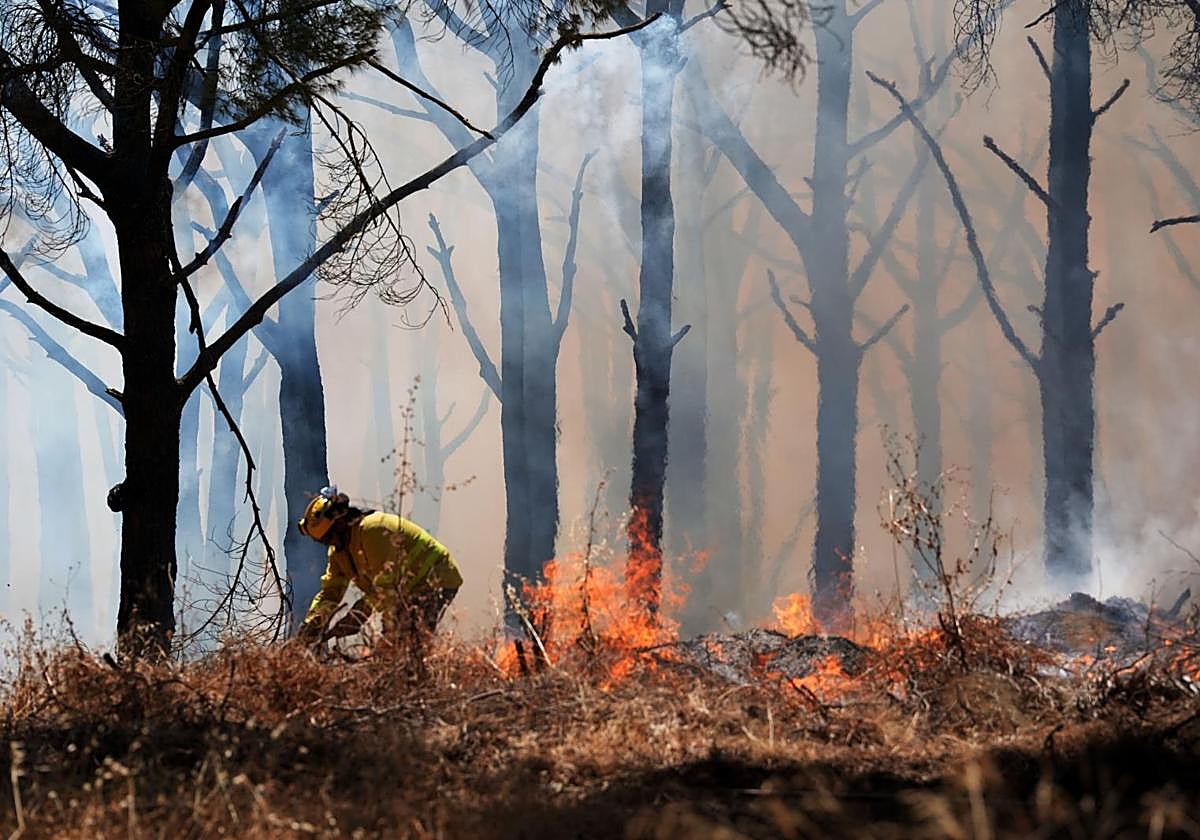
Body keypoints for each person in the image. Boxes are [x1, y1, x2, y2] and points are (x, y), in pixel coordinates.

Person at [295, 486, 462, 644]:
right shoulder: (339, 551)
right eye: (324, 541)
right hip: (404, 591)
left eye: (330, 536)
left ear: (340, 523)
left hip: (433, 580)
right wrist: (313, 623)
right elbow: (331, 592)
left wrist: (358, 615)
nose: (330, 543)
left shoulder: (372, 530)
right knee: (394, 643)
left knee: (404, 643)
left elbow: (386, 587)